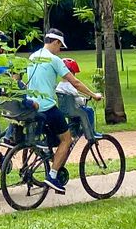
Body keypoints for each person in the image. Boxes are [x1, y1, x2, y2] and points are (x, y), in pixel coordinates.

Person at [25, 30, 102, 193]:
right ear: (56, 42)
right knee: (67, 139)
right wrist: (93, 95)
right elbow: (75, 82)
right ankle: (52, 176)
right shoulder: (54, 60)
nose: (60, 50)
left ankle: (48, 155)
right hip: (47, 107)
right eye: (60, 46)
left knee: (53, 138)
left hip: (32, 106)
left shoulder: (32, 57)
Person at [58, 57, 99, 139]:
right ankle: (91, 133)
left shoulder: (60, 85)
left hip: (64, 109)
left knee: (75, 116)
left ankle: (73, 131)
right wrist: (84, 100)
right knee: (89, 110)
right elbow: (77, 100)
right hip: (73, 110)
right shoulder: (71, 85)